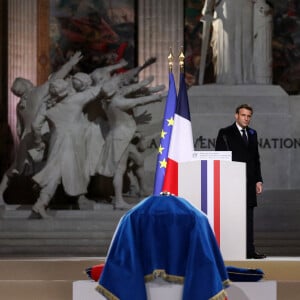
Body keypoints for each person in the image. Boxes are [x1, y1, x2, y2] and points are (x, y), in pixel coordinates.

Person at [215, 104, 265, 259]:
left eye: (249, 116)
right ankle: (230, 249)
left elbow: (256, 158)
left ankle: (249, 250)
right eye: (243, 115)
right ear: (236, 115)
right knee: (231, 216)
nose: (246, 118)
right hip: (232, 181)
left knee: (248, 217)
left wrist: (258, 180)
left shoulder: (252, 133)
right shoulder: (225, 133)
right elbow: (220, 157)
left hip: (249, 182)